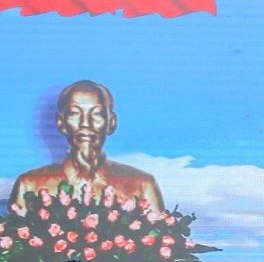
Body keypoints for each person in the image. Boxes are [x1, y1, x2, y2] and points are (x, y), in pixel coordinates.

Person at [8, 79, 164, 208]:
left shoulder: (142, 185)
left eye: (96, 114)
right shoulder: (29, 185)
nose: (85, 123)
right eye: (75, 113)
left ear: (111, 123)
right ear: (60, 122)